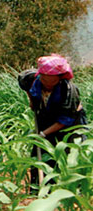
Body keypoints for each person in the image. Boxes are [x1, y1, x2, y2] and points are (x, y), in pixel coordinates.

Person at [18, 54, 88, 187]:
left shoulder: (69, 91)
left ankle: (71, 188)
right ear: (40, 76)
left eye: (53, 82)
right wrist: (32, 100)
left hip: (71, 121)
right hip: (46, 114)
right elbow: (23, 82)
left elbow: (65, 120)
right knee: (40, 150)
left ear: (60, 78)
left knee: (68, 152)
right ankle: (38, 187)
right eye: (45, 81)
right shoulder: (31, 79)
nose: (48, 85)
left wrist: (43, 134)